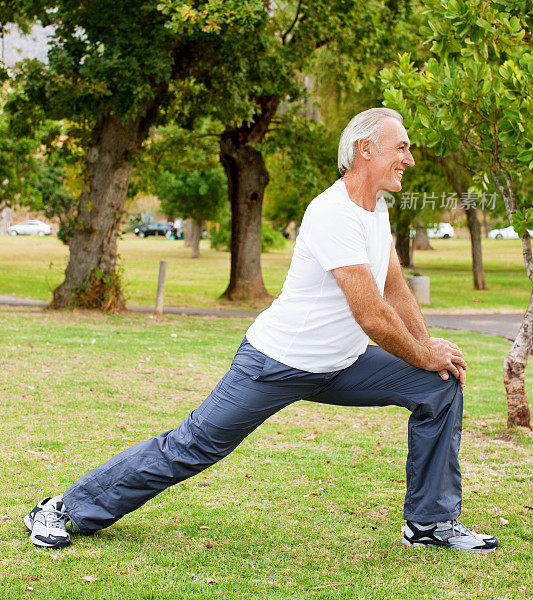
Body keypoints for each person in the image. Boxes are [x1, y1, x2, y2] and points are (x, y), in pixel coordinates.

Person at [24, 108, 498, 552]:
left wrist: (428, 347)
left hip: (341, 364)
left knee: (439, 384)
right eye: (402, 147)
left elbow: (394, 288)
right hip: (276, 362)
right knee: (194, 445)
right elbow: (372, 316)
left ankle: (429, 523)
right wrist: (421, 352)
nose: (410, 159)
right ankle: (62, 508)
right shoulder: (332, 213)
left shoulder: (376, 209)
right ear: (365, 150)